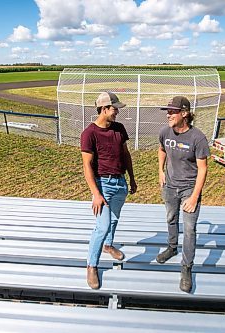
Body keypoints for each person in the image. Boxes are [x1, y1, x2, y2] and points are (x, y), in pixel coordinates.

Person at [81, 91, 137, 289]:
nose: (117, 113)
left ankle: (108, 245)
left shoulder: (119, 129)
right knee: (102, 226)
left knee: (113, 220)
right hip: (102, 185)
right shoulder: (89, 134)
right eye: (115, 109)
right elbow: (87, 166)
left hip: (120, 182)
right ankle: (91, 265)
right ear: (104, 109)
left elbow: (126, 154)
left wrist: (131, 178)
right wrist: (96, 194)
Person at [156, 96, 209, 293]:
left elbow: (203, 169)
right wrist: (160, 171)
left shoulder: (198, 138)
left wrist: (194, 197)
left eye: (172, 111)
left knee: (189, 229)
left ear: (184, 113)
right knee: (171, 218)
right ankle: (172, 247)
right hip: (169, 186)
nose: (168, 115)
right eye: (167, 111)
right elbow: (162, 149)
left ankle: (186, 268)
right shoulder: (165, 132)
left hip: (189, 189)